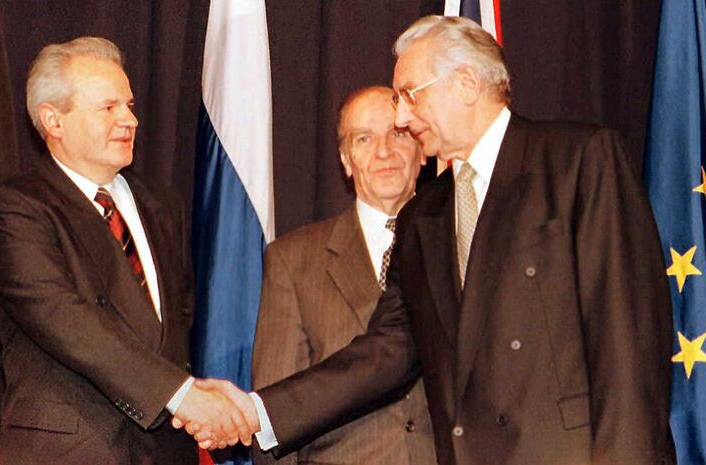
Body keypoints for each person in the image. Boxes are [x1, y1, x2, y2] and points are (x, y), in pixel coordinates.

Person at [192, 15, 677, 465]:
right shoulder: (426, 215)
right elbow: (385, 352)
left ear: (467, 84)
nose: (402, 117)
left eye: (409, 94)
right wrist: (259, 412)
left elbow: (627, 340)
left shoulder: (577, 161)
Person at [0, 37, 251, 465]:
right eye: (109, 108)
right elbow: (67, 321)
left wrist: (193, 394)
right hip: (73, 451)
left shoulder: (163, 205)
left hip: (167, 451)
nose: (130, 120)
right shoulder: (13, 210)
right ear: (54, 120)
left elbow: (176, 326)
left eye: (129, 105)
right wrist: (183, 396)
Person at [252, 86, 436, 465]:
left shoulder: (456, 242)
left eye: (398, 134)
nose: (384, 151)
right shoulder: (293, 260)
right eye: (365, 139)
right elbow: (275, 415)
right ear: (346, 159)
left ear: (422, 150)